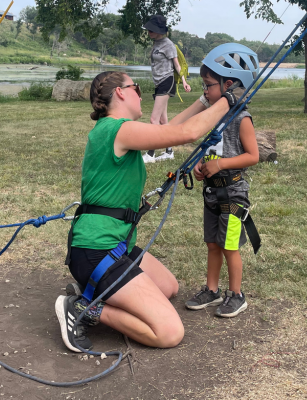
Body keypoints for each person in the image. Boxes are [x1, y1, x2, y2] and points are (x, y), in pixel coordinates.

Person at [56, 71, 237, 352]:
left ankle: (94, 292)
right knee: (169, 333)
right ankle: (84, 307)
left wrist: (205, 100)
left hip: (115, 244)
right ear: (120, 92)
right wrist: (229, 99)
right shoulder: (116, 128)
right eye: (136, 88)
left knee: (168, 287)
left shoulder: (119, 130)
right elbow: (185, 133)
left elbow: (171, 129)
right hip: (97, 250)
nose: (141, 94)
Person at [169, 43, 260, 318]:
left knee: (229, 246)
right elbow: (211, 150)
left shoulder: (242, 119)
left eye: (208, 85)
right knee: (212, 244)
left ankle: (237, 295)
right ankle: (212, 290)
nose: (204, 91)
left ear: (228, 84)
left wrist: (221, 165)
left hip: (233, 195)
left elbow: (253, 156)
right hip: (211, 192)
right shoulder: (214, 118)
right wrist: (202, 166)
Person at [141, 14, 191, 163]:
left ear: (159, 30)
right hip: (158, 83)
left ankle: (150, 154)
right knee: (163, 121)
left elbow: (177, 65)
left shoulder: (168, 44)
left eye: (151, 30)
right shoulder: (156, 42)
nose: (148, 32)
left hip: (166, 81)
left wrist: (184, 81)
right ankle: (169, 151)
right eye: (148, 30)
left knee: (153, 119)